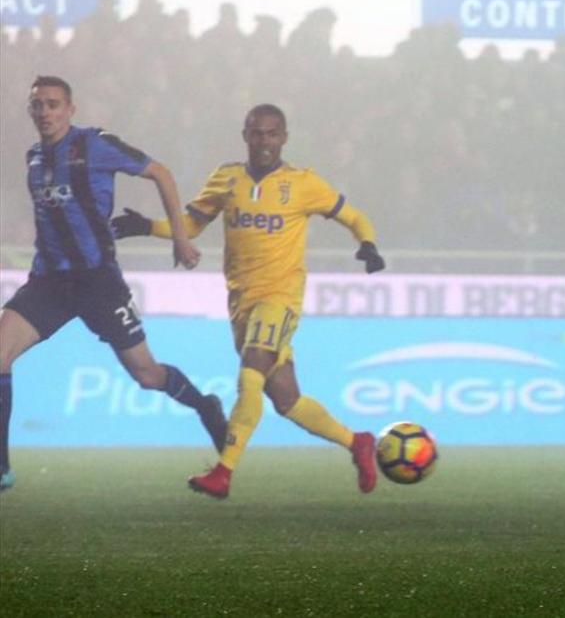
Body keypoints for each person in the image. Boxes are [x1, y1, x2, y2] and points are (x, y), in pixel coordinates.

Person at [112, 104, 385, 499]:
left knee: (251, 371)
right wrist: (147, 227)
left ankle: (223, 472)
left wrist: (369, 245)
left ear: (284, 137)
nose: (264, 142)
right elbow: (190, 224)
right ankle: (356, 441)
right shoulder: (227, 178)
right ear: (245, 135)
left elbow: (354, 216)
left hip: (280, 298)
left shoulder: (303, 182)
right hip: (241, 302)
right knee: (286, 400)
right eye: (257, 133)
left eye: (272, 134)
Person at [0, 76, 227, 491]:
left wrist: (180, 236)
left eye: (53, 104)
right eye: (38, 105)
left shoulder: (94, 145)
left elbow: (160, 172)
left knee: (147, 374)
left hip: (98, 281)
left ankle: (205, 406)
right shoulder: (34, 157)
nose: (45, 112)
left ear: (70, 108)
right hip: (49, 281)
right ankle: (1, 469)